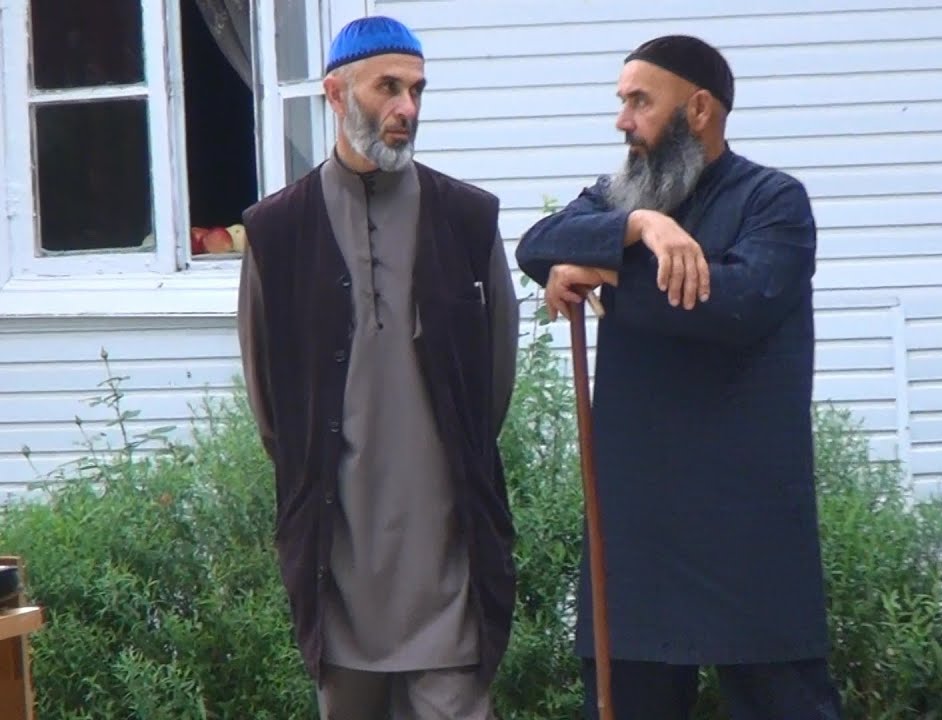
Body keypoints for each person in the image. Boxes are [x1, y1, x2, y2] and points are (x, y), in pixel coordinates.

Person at [515, 34, 842, 720]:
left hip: (748, 528)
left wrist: (603, 274)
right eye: (622, 101)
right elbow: (537, 245)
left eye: (640, 101)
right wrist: (639, 226)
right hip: (637, 530)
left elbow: (734, 303)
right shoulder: (617, 199)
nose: (623, 120)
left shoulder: (773, 201)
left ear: (698, 109)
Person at [236, 16, 519, 720]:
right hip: (339, 565)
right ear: (336, 94)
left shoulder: (468, 218)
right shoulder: (277, 231)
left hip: (447, 562)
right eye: (387, 88)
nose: (407, 108)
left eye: (417, 90)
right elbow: (273, 409)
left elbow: (492, 387)